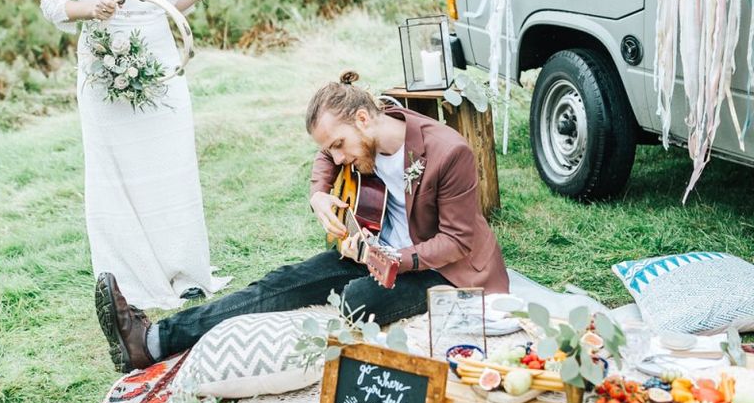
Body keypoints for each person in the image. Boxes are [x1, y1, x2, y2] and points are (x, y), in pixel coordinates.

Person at [95, 71, 510, 372]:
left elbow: (456, 242)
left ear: (364, 120)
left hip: (444, 270)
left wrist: (387, 257)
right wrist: (318, 196)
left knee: (358, 300)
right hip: (373, 249)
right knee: (281, 282)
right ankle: (151, 341)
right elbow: (324, 160)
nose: (338, 159)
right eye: (331, 150)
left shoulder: (448, 152)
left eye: (339, 146)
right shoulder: (358, 133)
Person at [40, 0, 240, 309]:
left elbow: (162, 2)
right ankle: (130, 278)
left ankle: (184, 272)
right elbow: (51, 3)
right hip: (103, 66)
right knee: (117, 171)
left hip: (160, 63)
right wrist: (90, 8)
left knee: (171, 165)